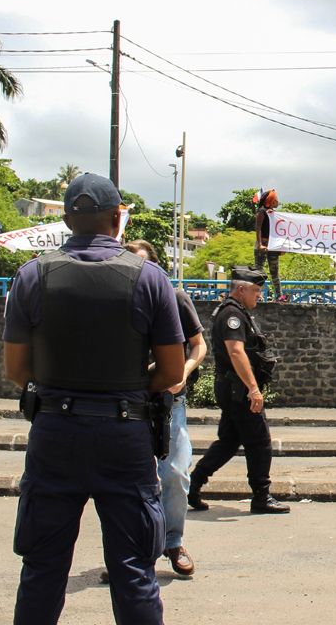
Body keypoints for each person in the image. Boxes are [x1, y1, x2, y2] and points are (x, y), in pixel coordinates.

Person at [3, 172, 185, 625]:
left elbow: (16, 370)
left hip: (55, 432)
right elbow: (171, 371)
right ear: (118, 218)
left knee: (42, 568)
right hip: (125, 434)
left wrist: (59, 389)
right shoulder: (150, 278)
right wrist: (126, 390)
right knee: (134, 569)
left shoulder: (32, 276)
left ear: (67, 220)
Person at [126, 239, 206, 577]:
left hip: (169, 400)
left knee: (174, 471)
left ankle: (173, 541)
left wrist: (182, 373)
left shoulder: (175, 298)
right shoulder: (120, 301)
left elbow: (198, 345)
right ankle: (134, 548)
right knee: (129, 477)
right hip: (129, 398)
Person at [187, 267, 290, 515]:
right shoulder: (232, 314)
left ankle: (192, 485)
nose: (259, 296)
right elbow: (235, 352)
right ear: (241, 290)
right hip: (238, 389)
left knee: (229, 441)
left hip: (232, 388)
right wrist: (253, 389)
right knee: (260, 441)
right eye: (256, 291)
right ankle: (261, 496)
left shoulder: (234, 311)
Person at [254, 188, 284, 301]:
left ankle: (279, 296)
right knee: (259, 270)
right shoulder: (262, 212)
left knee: (274, 271)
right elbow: (258, 228)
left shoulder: (274, 214)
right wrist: (260, 244)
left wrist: (281, 247)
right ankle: (257, 295)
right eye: (275, 200)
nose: (277, 202)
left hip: (273, 245)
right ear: (271, 201)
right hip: (263, 243)